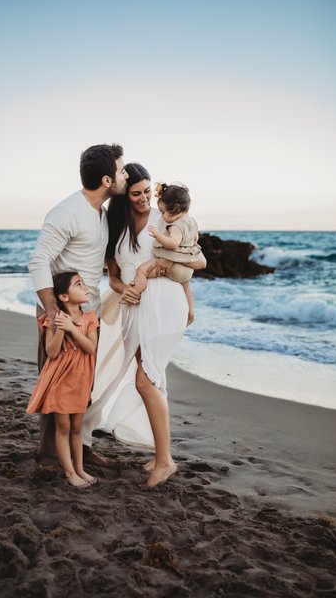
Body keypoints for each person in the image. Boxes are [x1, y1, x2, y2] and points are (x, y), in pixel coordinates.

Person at [81, 163, 206, 488]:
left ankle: (165, 461)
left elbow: (195, 260)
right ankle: (158, 452)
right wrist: (128, 289)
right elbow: (114, 278)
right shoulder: (115, 226)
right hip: (133, 309)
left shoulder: (164, 219)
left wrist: (186, 296)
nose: (144, 199)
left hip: (164, 305)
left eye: (148, 192)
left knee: (146, 380)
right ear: (123, 196)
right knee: (149, 378)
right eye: (136, 194)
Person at [28, 143, 128, 467]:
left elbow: (90, 258)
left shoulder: (99, 214)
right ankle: (48, 458)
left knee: (82, 383)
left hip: (87, 314)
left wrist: (113, 275)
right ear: (107, 180)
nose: (124, 174)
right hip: (61, 312)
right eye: (121, 170)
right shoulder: (67, 212)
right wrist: (55, 314)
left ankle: (78, 448)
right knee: (54, 383)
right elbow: (39, 261)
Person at [26, 272, 99, 488]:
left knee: (77, 427)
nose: (86, 288)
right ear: (64, 297)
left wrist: (72, 329)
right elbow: (52, 352)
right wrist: (60, 328)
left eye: (84, 283)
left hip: (81, 379)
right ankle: (69, 472)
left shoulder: (90, 318)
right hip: (60, 380)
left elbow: (90, 348)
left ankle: (79, 469)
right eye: (79, 285)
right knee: (63, 427)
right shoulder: (52, 319)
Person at [127, 182, 206, 324]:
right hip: (186, 271)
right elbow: (195, 240)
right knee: (187, 289)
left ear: (175, 208)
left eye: (163, 212)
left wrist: (159, 235)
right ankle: (190, 312)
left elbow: (173, 243)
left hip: (172, 267)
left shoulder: (176, 225)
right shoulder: (192, 222)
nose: (162, 217)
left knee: (142, 271)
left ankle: (134, 294)